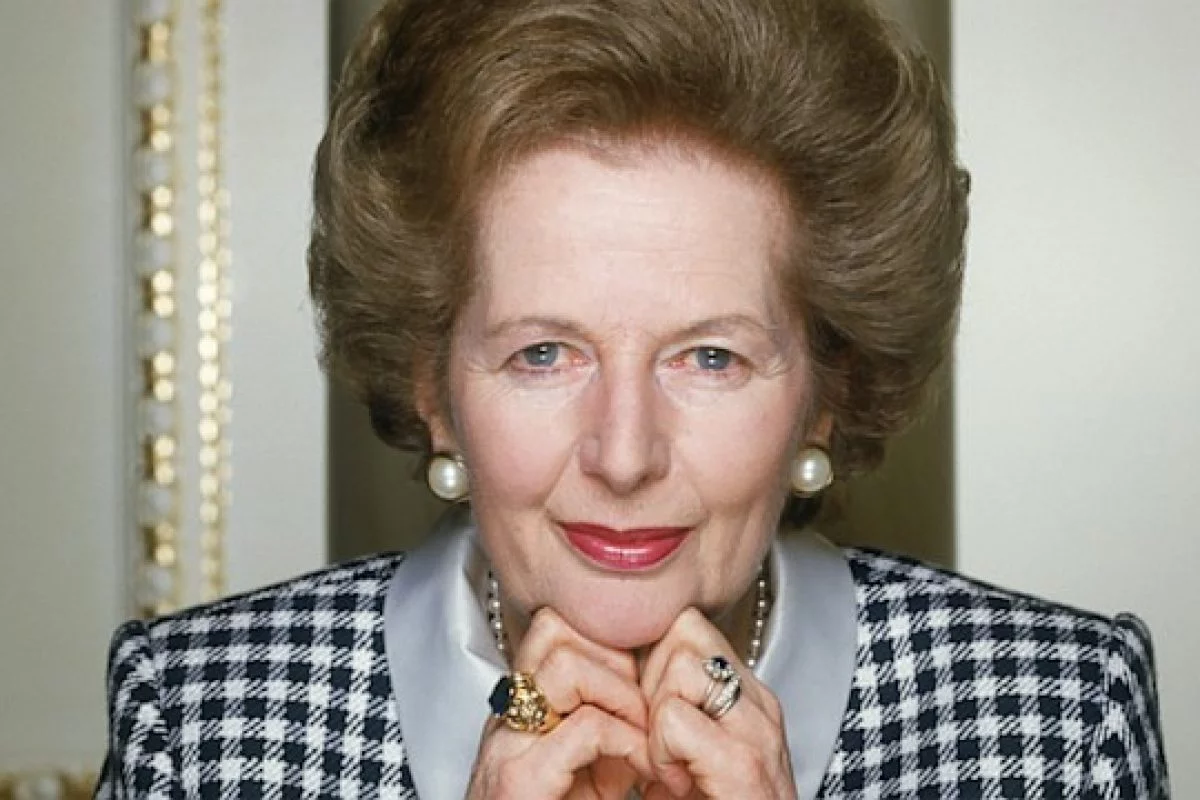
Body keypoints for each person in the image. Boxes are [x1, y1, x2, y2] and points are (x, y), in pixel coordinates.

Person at [97, 0, 1170, 797]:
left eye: (709, 358)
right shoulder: (203, 723)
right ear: (434, 389)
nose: (623, 453)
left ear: (825, 389)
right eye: (543, 354)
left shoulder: (1056, 722)